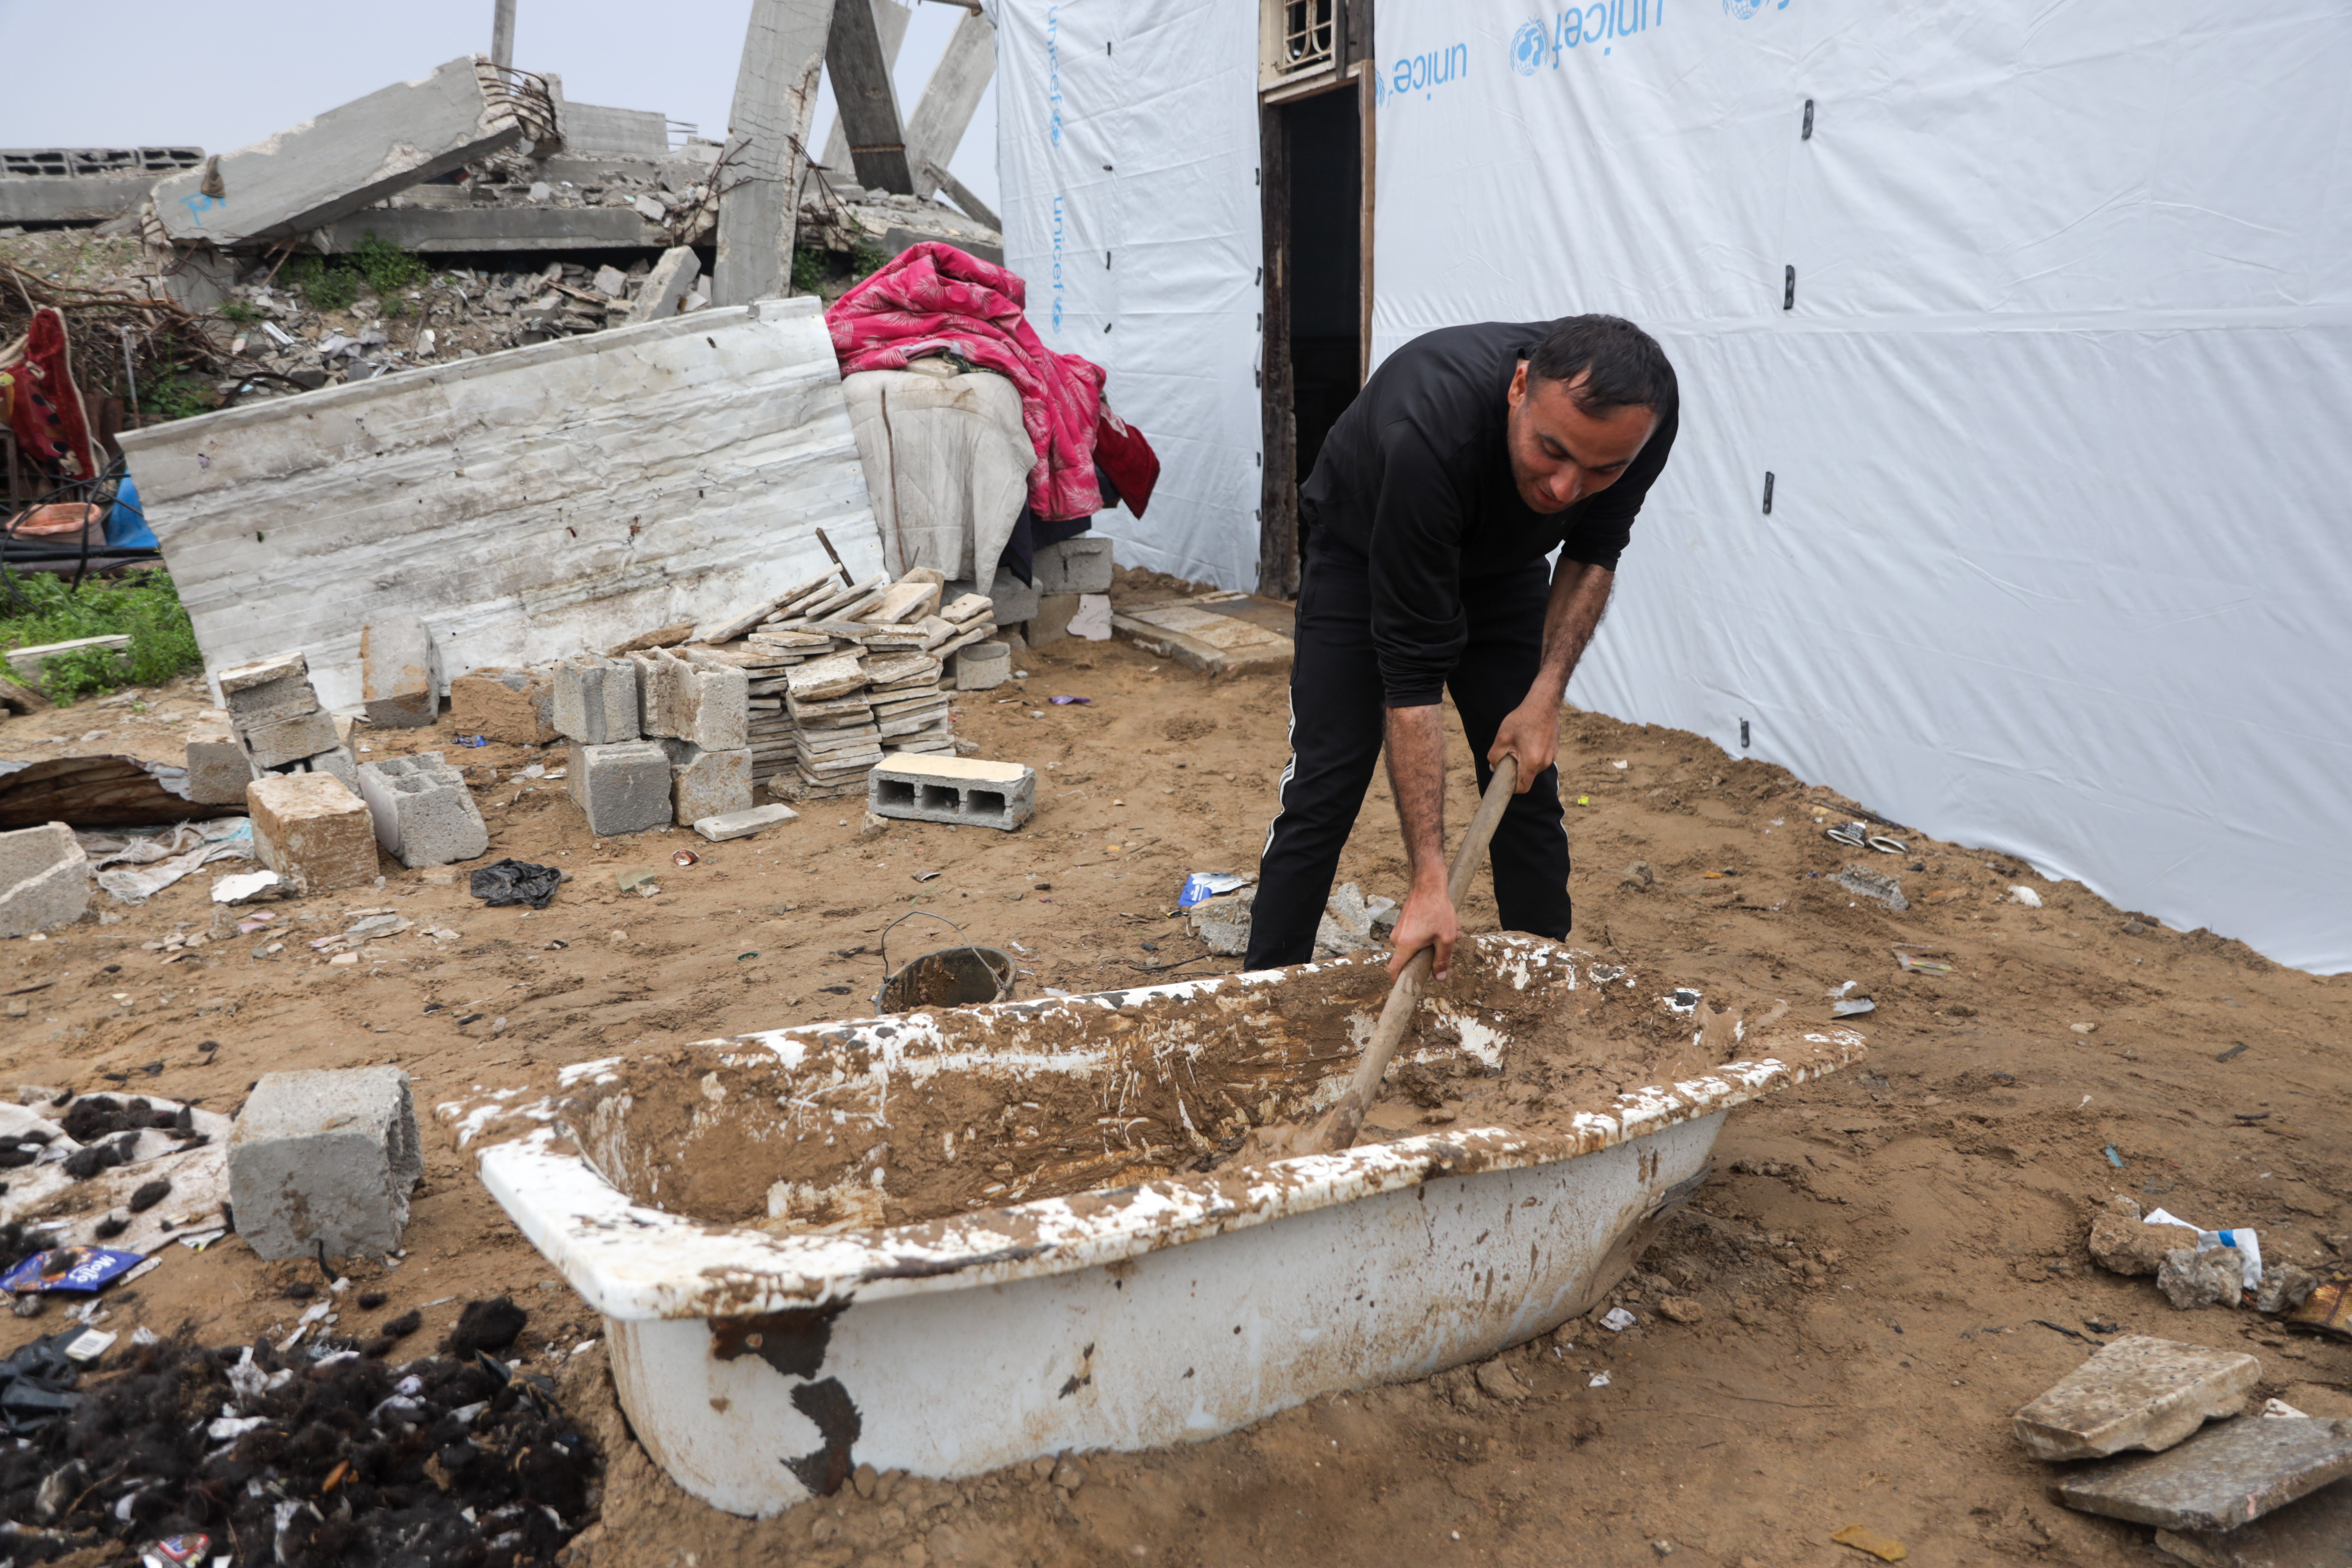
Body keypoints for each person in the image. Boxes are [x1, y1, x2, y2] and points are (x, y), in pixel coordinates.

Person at [1245, 315, 1679, 980]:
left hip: (1503, 567)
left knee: (1525, 779)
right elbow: (1411, 679)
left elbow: (1595, 550)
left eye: (1601, 469)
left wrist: (1545, 698)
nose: (1566, 489)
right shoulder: (1426, 430)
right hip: (1366, 550)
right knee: (1329, 780)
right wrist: (1428, 883)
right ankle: (1265, 992)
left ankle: (1542, 984)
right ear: (1519, 386)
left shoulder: (1646, 418)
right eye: (1552, 451)